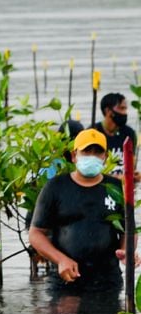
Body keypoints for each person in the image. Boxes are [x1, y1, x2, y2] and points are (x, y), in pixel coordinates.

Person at [29, 128, 128, 292]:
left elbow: (128, 229)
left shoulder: (115, 187)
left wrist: (126, 251)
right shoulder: (55, 187)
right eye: (86, 151)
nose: (92, 156)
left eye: (98, 152)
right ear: (74, 155)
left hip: (108, 281)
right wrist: (60, 260)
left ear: (105, 157)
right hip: (65, 280)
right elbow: (36, 233)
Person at [93, 92, 137, 173]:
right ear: (108, 111)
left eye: (125, 109)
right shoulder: (94, 132)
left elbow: (132, 165)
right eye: (121, 108)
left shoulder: (129, 133)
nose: (125, 113)